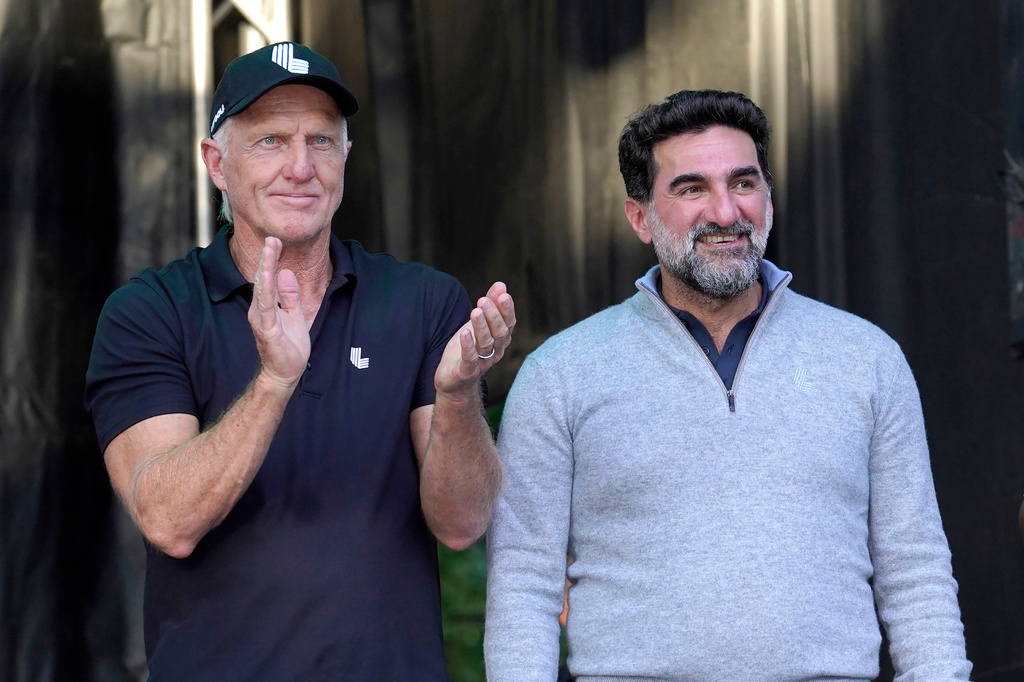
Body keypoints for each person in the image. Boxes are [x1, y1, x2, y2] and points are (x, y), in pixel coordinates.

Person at [484, 90, 970, 681]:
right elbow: (524, 581)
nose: (725, 211)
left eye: (743, 183)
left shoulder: (867, 359)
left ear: (768, 197)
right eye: (691, 189)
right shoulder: (561, 374)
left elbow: (914, 567)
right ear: (641, 217)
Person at [85, 42, 514, 680]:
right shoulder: (151, 311)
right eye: (269, 141)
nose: (299, 166)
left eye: (320, 140)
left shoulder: (421, 299)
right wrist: (275, 381)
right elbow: (169, 519)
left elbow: (461, 524)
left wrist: (456, 397)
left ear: (345, 156)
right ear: (216, 163)